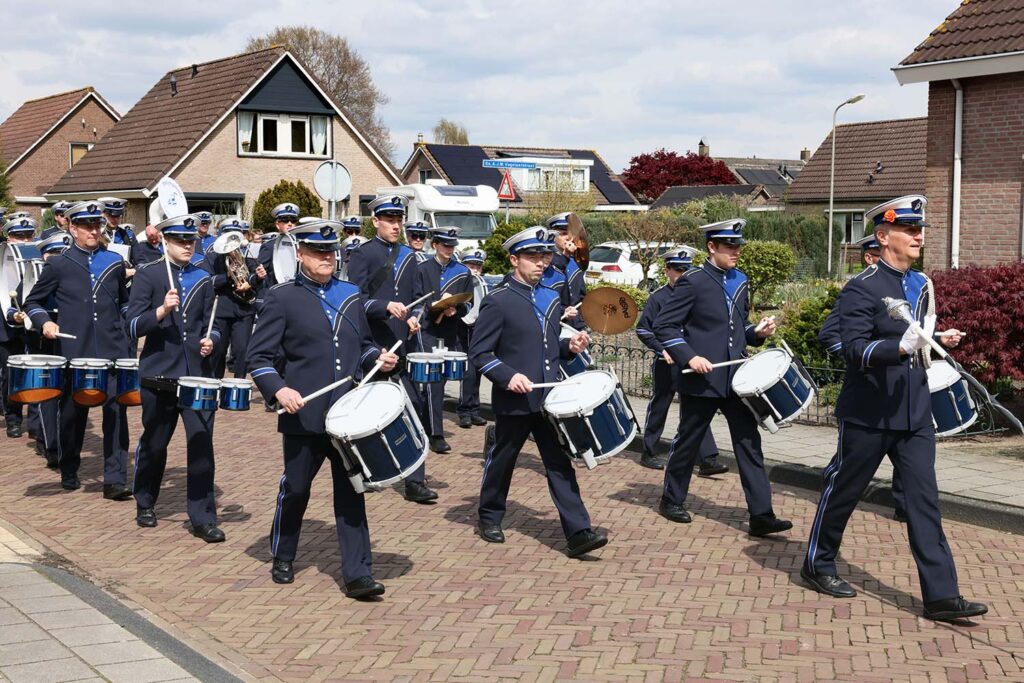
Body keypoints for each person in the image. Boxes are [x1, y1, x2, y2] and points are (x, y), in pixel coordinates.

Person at [801, 195, 986, 623]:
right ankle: (818, 562)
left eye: (919, 229)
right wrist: (896, 347)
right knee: (844, 490)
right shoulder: (861, 288)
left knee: (924, 501)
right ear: (884, 238)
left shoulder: (920, 285)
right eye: (909, 230)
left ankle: (941, 596)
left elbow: (920, 340)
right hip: (869, 411)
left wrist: (938, 346)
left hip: (914, 410)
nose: (919, 235)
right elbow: (851, 349)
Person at [247, 219, 399, 598]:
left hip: (348, 415)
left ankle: (358, 573)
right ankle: (283, 553)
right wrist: (279, 390)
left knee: (352, 492)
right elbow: (258, 357)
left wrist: (376, 359)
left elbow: (361, 345)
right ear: (299, 254)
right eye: (318, 252)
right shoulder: (281, 298)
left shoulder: (349, 294)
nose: (327, 257)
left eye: (330, 252)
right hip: (305, 414)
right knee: (296, 488)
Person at [469, 226, 607, 558]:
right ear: (514, 259)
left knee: (559, 463)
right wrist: (507, 376)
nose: (540, 263)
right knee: (503, 460)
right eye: (532, 257)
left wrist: (569, 346)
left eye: (543, 256)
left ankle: (578, 531)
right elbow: (480, 353)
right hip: (514, 399)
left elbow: (548, 346)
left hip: (548, 399)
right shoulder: (497, 301)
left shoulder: (549, 297)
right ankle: (489, 515)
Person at [653, 219, 792, 537]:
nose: (736, 252)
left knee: (749, 443)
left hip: (736, 380)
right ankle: (671, 498)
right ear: (711, 247)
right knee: (688, 441)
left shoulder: (740, 279)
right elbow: (665, 327)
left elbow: (735, 333)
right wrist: (691, 356)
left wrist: (756, 332)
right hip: (701, 379)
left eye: (738, 246)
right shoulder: (693, 281)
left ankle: (761, 514)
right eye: (730, 246)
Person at [24, 201, 132, 498]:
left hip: (113, 350)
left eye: (96, 225)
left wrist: (131, 322)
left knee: (116, 415)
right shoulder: (59, 264)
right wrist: (45, 322)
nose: (94, 230)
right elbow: (32, 302)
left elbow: (123, 302)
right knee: (73, 415)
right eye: (86, 226)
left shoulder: (113, 261)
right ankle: (69, 467)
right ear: (72, 228)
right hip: (75, 351)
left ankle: (114, 478)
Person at [128, 214, 224, 541]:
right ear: (165, 241)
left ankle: (203, 518)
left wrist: (214, 340)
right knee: (155, 444)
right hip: (159, 374)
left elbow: (216, 323)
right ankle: (145, 501)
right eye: (181, 241)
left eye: (191, 241)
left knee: (201, 446)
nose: (187, 246)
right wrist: (161, 311)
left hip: (196, 375)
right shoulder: (149, 275)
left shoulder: (203, 277)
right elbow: (132, 325)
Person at [345, 195, 437, 503]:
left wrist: (414, 317)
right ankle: (368, 468)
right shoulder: (364, 254)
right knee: (368, 411)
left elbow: (419, 299)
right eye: (390, 220)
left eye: (399, 220)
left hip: (404, 345)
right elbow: (354, 300)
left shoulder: (410, 256)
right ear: (376, 222)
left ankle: (415, 480)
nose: (396, 225)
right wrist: (384, 306)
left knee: (413, 407)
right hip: (374, 343)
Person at [818, 233, 909, 522]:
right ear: (870, 257)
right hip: (868, 386)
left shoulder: (908, 284)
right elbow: (831, 334)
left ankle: (905, 505)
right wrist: (858, 358)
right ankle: (835, 480)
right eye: (874, 254)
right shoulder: (858, 290)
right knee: (852, 462)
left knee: (908, 459)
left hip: (897, 387)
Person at [635, 248, 727, 475]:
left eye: (686, 269)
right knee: (660, 405)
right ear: (667, 271)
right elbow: (643, 329)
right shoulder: (658, 298)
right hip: (667, 363)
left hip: (691, 361)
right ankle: (649, 450)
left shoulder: (698, 292)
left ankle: (708, 458)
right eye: (677, 269)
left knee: (696, 408)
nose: (682, 273)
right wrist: (662, 349)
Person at [411, 226, 473, 452]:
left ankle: (426, 422)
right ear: (435, 244)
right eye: (445, 245)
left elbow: (469, 303)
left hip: (450, 332)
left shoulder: (463, 271)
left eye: (452, 245)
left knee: (441, 381)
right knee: (432, 382)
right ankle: (435, 433)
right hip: (428, 330)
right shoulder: (422, 269)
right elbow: (417, 299)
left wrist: (456, 310)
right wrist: (432, 309)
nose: (449, 249)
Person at [24, 232, 70, 467]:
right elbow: (28, 302)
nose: (58, 258)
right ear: (44, 255)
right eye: (53, 253)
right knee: (47, 393)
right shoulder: (35, 276)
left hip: (69, 339)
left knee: (67, 394)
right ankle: (50, 444)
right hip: (43, 340)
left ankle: (58, 442)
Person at [202, 218, 265, 379]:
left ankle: (238, 386)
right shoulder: (212, 256)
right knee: (219, 350)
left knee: (242, 349)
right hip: (222, 308)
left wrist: (253, 281)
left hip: (244, 309)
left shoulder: (246, 253)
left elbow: (252, 276)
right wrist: (229, 277)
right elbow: (208, 281)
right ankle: (215, 384)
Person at [1, 217, 40, 439]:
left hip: (32, 324)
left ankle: (35, 421)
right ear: (9, 237)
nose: (25, 241)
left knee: (36, 371)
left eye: (28, 236)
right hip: (6, 329)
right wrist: (10, 313)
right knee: (10, 374)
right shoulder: (3, 258)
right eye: (19, 236)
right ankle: (13, 419)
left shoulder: (38, 256)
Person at [456, 248, 489, 429]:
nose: (475, 269)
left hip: (478, 330)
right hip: (462, 329)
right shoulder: (460, 282)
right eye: (471, 265)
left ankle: (475, 410)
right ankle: (464, 411)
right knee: (467, 371)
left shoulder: (481, 283)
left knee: (477, 370)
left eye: (478, 266)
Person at [544, 213, 585, 327]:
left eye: (570, 234)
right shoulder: (545, 260)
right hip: (554, 322)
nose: (568, 238)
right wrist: (566, 255)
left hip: (575, 325)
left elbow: (581, 296)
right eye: (563, 234)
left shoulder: (575, 262)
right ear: (553, 236)